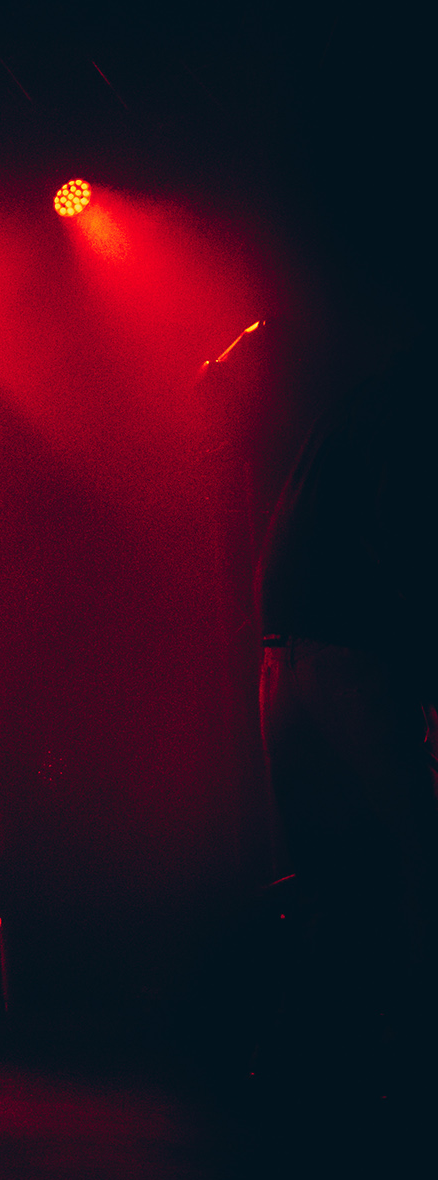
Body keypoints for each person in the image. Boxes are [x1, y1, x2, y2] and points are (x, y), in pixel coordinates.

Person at [256, 346, 436, 1076]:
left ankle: (326, 1051)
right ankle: (421, 1041)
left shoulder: (350, 407)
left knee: (326, 864)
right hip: (350, 654)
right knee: (416, 848)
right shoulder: (412, 413)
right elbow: (407, 538)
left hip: (283, 654)